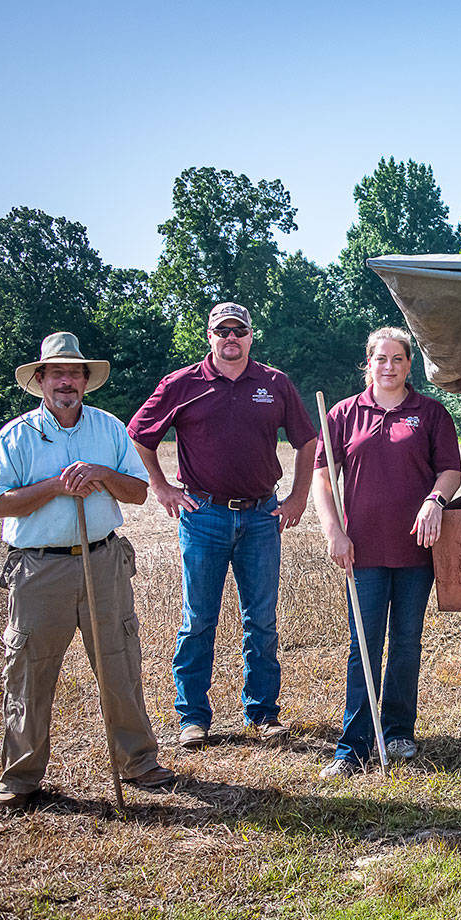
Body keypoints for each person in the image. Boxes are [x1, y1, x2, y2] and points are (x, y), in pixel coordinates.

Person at [0, 333, 175, 814]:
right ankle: (21, 779)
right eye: (56, 373)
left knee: (120, 662)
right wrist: (56, 486)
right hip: (39, 567)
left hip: (104, 559)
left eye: (75, 373)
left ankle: (138, 762)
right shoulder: (16, 435)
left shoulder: (109, 430)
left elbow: (136, 493)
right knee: (28, 673)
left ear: (86, 381)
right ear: (40, 380)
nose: (66, 381)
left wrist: (100, 475)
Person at [128, 302, 319, 749]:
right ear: (209, 336)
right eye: (222, 330)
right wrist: (161, 486)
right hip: (204, 516)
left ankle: (263, 713)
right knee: (198, 620)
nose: (231, 338)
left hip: (260, 516)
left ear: (251, 336)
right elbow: (139, 434)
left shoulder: (274, 384)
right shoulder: (182, 383)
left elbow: (307, 442)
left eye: (239, 330)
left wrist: (297, 497)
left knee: (262, 620)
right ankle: (192, 717)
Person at [312, 328, 461, 779]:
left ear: (409, 365)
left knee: (405, 644)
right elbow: (322, 479)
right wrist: (333, 531)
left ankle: (398, 730)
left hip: (417, 551)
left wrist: (434, 501)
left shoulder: (431, 413)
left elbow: (451, 472)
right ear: (369, 363)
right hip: (363, 552)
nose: (389, 366)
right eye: (381, 358)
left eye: (397, 358)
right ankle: (353, 745)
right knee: (364, 644)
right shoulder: (342, 414)